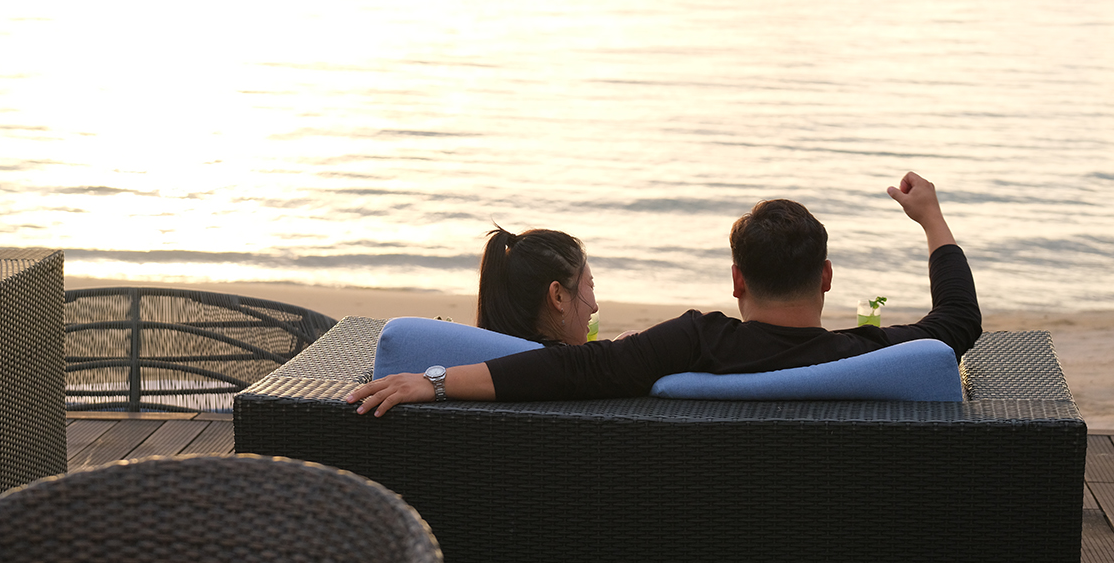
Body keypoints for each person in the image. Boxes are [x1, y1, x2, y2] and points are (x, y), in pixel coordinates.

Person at [348, 172, 981, 416]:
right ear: (826, 278)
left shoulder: (694, 342)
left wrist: (435, 381)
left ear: (737, 281)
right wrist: (930, 217)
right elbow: (957, 321)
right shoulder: (867, 356)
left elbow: (573, 368)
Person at [475, 227, 596, 346]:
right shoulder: (560, 359)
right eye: (591, 285)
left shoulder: (494, 352)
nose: (595, 307)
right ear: (558, 296)